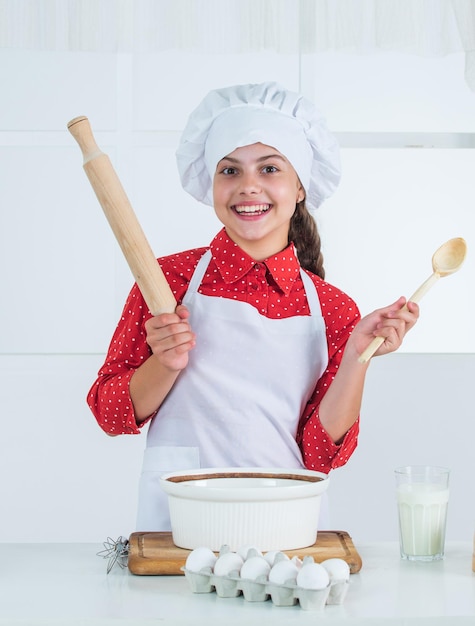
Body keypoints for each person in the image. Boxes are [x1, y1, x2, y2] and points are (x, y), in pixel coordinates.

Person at [87, 82, 419, 531]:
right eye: (229, 171)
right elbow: (110, 413)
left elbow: (320, 452)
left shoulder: (333, 308)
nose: (248, 187)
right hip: (181, 518)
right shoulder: (165, 281)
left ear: (300, 187)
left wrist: (358, 358)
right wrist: (164, 364)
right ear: (210, 184)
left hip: (285, 519)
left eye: (269, 169)